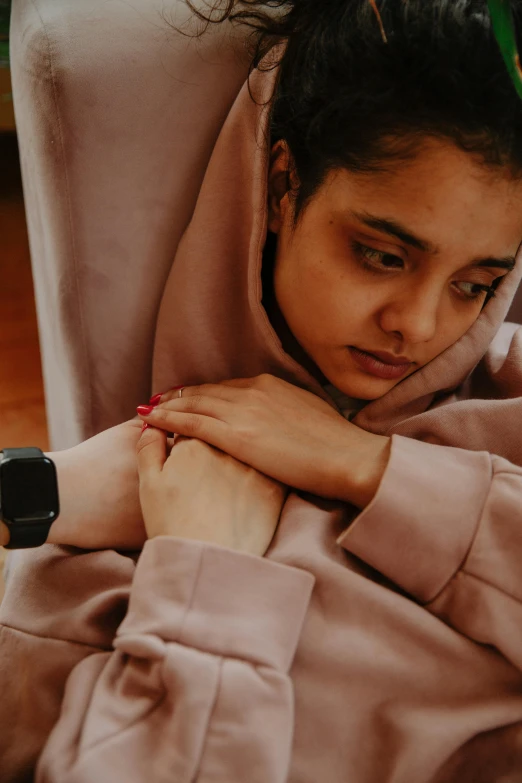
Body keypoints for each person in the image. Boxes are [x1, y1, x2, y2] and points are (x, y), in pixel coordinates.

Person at [2, 1, 522, 780]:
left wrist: (366, 466)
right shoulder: (95, 563)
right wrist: (206, 575)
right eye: (382, 255)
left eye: (476, 285)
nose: (418, 325)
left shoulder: (506, 397)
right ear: (283, 187)